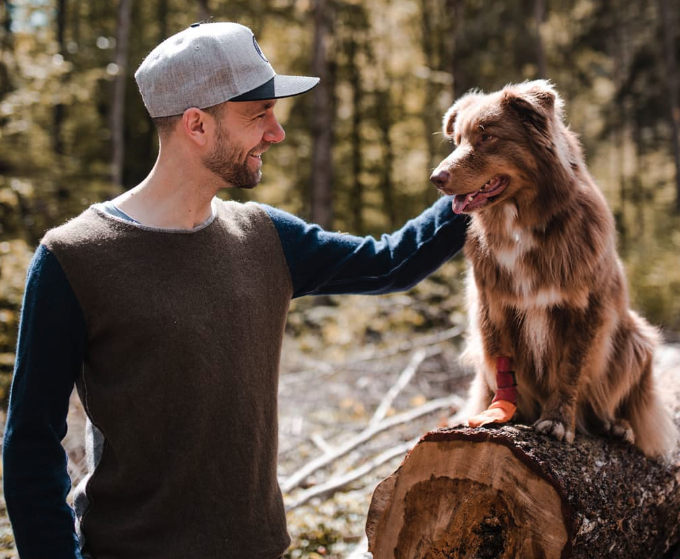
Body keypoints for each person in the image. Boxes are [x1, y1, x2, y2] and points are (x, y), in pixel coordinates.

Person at [2, 21, 469, 559]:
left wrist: (478, 183)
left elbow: (392, 262)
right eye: (259, 115)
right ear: (197, 125)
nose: (276, 132)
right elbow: (31, 444)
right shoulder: (74, 257)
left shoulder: (266, 236)